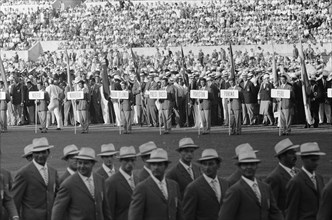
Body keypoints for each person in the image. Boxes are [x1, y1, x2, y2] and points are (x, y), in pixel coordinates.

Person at [219, 147, 283, 220]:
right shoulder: (234, 191)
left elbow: (274, 213)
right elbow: (225, 217)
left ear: (257, 166)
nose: (249, 167)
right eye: (245, 165)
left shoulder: (265, 187)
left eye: (252, 164)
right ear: (239, 167)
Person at [51, 147, 112, 220]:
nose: (82, 166)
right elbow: (57, 213)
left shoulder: (100, 179)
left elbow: (105, 209)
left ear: (93, 163)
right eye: (80, 163)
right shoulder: (68, 184)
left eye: (86, 163)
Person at [128, 148, 183, 220]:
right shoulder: (142, 188)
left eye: (159, 164)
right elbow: (134, 216)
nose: (156, 167)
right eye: (153, 164)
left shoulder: (174, 185)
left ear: (166, 166)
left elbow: (179, 214)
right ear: (150, 165)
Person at [12, 137, 59, 220]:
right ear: (33, 154)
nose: (40, 155)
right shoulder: (23, 173)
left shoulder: (53, 171)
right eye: (37, 153)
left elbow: (58, 196)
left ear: (48, 152)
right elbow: (15, 200)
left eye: (43, 152)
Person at [183, 149, 229, 220]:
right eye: (204, 164)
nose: (207, 167)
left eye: (211, 164)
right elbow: (188, 216)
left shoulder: (225, 184)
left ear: (218, 165)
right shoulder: (193, 187)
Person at [286, 142, 326, 220]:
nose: (316, 163)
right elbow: (291, 212)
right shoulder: (296, 182)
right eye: (313, 160)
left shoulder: (319, 178)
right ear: (303, 158)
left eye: (318, 159)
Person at [265, 138, 300, 216]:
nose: (295, 156)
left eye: (295, 152)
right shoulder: (274, 178)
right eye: (291, 153)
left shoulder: (299, 172)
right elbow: (272, 208)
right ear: (282, 156)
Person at [106, 146, 137, 220]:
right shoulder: (111, 182)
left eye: (132, 160)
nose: (130, 163)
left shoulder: (138, 179)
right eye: (126, 160)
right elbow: (109, 212)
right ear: (120, 160)